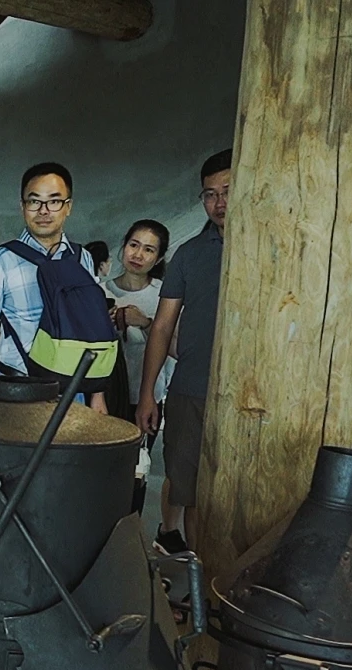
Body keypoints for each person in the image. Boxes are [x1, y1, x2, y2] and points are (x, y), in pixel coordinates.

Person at [136, 149, 231, 554]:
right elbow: (161, 326)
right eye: (210, 194)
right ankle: (200, 579)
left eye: (228, 190)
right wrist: (147, 394)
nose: (219, 202)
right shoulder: (189, 255)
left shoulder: (274, 247)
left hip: (252, 396)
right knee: (191, 491)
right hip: (192, 390)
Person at [0, 162, 109, 414]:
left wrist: (97, 395)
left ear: (68, 207)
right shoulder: (2, 259)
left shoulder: (81, 258)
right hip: (16, 388)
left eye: (54, 201)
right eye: (34, 201)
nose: (43, 210)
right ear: (22, 207)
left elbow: (92, 328)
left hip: (72, 392)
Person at [103, 220, 175, 516]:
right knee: (103, 474)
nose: (138, 254)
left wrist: (145, 323)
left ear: (158, 259)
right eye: (134, 245)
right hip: (105, 398)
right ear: (123, 246)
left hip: (145, 399)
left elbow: (177, 348)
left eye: (148, 250)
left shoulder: (165, 295)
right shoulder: (100, 290)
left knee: (135, 475)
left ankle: (129, 533)